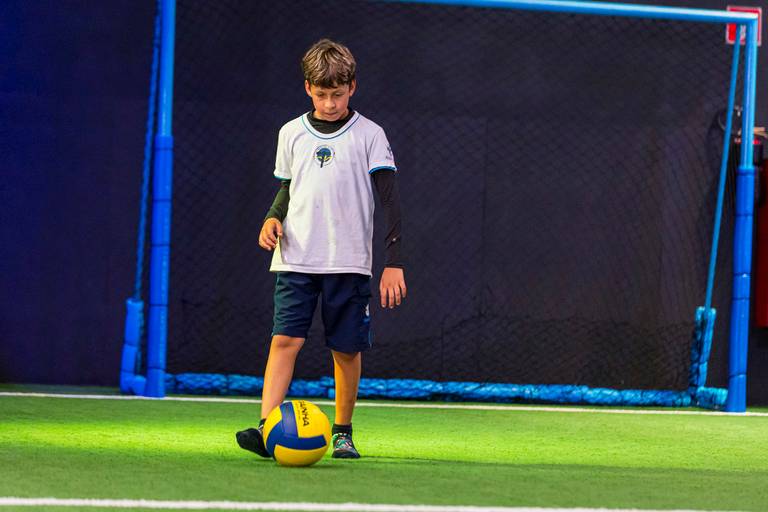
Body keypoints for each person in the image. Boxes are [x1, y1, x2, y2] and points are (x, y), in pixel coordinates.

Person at [236, 39, 406, 460]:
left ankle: (343, 432)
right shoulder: (291, 132)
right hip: (295, 257)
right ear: (308, 88)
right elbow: (288, 187)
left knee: (345, 350)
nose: (330, 104)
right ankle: (267, 427)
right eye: (322, 94)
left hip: (348, 262)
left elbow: (389, 200)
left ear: (352, 88)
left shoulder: (370, 135)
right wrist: (271, 218)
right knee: (284, 341)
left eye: (338, 94)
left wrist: (394, 262)